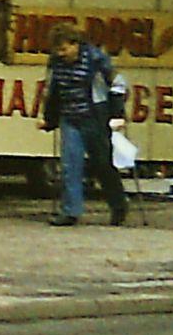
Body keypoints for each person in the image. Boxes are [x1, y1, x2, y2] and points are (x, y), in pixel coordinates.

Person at [39, 23, 129, 228]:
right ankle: (70, 211)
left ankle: (118, 205)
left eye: (64, 49)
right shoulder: (55, 63)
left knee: (102, 164)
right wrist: (49, 119)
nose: (61, 54)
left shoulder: (96, 60)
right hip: (69, 117)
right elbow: (52, 90)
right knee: (70, 165)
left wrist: (117, 113)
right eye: (57, 50)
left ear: (75, 44)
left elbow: (118, 84)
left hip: (95, 117)